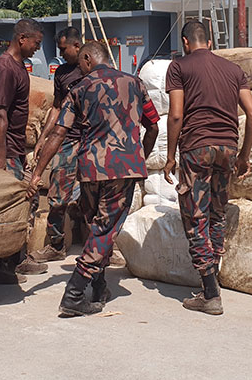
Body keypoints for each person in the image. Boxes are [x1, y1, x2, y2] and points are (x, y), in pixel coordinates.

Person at [28, 41, 160, 317]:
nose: (80, 68)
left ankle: (99, 287)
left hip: (90, 169)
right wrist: (139, 156)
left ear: (88, 58)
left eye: (81, 64)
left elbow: (59, 133)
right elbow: (153, 126)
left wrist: (38, 172)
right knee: (104, 230)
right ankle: (75, 291)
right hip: (123, 169)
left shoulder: (79, 90)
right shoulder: (134, 83)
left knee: (97, 226)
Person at [163, 21, 252, 316]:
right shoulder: (233, 70)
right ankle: (211, 279)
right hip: (227, 149)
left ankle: (209, 293)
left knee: (195, 216)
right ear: (211, 42)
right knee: (216, 215)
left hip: (197, 147)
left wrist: (170, 156)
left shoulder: (179, 67)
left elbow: (177, 115)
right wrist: (243, 155)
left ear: (185, 41)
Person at [0, 18, 47, 284]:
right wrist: (0, 156)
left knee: (19, 204)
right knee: (9, 206)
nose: (37, 49)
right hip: (4, 150)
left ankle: (15, 258)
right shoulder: (5, 69)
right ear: (22, 39)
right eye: (36, 43)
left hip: (13, 148)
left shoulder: (18, 67)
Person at [29, 27, 84, 263]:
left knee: (96, 196)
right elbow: (57, 108)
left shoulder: (93, 69)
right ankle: (57, 243)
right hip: (67, 140)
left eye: (64, 49)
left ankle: (103, 249)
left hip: (93, 140)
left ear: (77, 46)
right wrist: (43, 139)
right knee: (57, 195)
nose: (61, 54)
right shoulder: (62, 73)